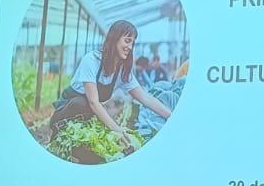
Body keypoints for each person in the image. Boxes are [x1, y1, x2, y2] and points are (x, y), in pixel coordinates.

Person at [51, 20, 174, 153]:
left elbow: (145, 98)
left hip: (88, 118)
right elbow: (93, 102)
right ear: (114, 39)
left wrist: (171, 116)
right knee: (82, 103)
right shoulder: (91, 60)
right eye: (127, 41)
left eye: (132, 43)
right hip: (67, 114)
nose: (130, 47)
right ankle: (58, 136)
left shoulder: (122, 71)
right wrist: (116, 129)